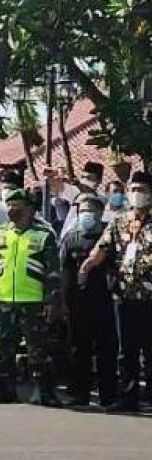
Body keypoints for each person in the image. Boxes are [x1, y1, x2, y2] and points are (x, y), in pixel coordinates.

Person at [0, 188, 62, 406]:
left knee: (38, 350)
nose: (12, 209)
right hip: (3, 300)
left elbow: (53, 272)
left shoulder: (44, 235)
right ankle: (3, 390)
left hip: (34, 302)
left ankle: (43, 391)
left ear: (30, 209)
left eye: (17, 205)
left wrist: (53, 301)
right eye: (9, 205)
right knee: (2, 349)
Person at [81, 170, 152, 412]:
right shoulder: (119, 221)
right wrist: (89, 264)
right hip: (124, 295)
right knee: (127, 351)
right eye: (133, 190)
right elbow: (102, 248)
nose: (136, 194)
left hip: (150, 296)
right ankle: (128, 397)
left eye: (141, 190)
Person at [60, 193, 117, 408]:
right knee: (78, 348)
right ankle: (80, 393)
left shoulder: (109, 236)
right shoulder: (71, 237)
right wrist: (63, 302)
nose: (85, 216)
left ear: (100, 214)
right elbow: (64, 271)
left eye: (90, 211)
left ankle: (108, 395)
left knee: (106, 348)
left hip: (105, 301)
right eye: (82, 211)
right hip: (78, 302)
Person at [60, 162, 105, 240]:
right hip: (70, 238)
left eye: (88, 178)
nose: (84, 181)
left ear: (99, 180)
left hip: (92, 239)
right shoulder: (76, 191)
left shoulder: (103, 199)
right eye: (82, 177)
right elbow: (58, 187)